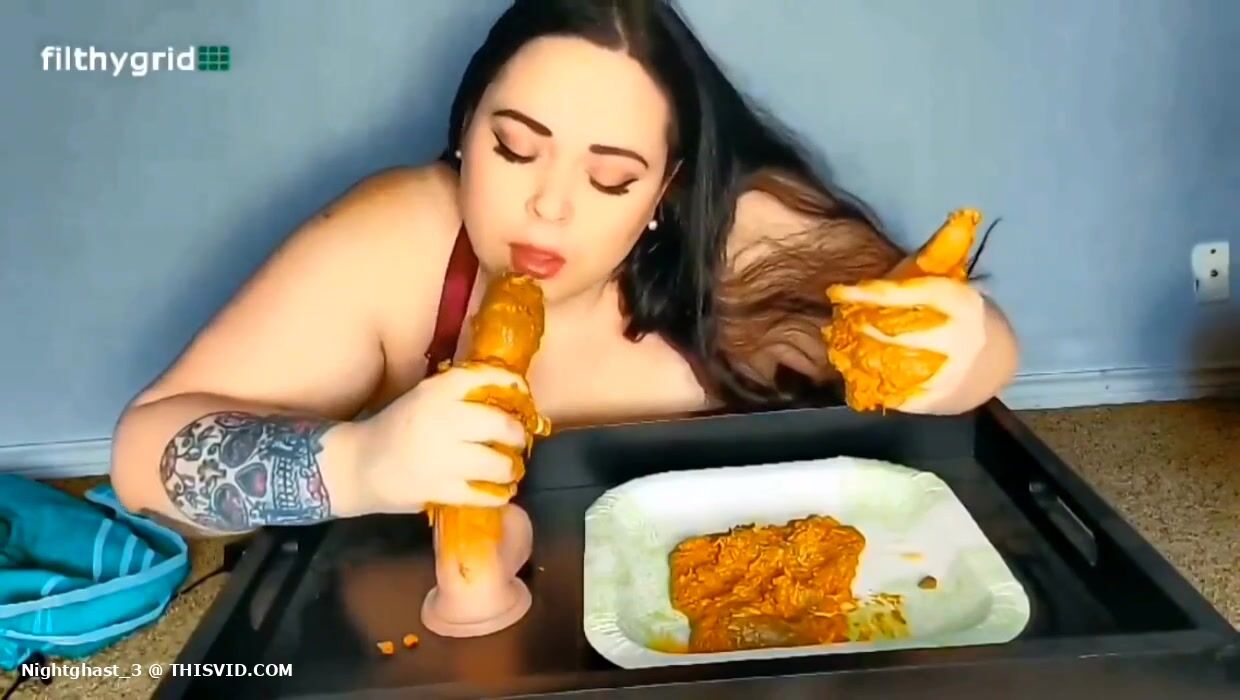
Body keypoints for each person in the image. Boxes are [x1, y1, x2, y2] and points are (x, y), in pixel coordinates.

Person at [109, 0, 1019, 538]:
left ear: (666, 189)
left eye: (611, 177)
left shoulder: (750, 236)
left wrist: (964, 352)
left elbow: (967, 362)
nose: (550, 207)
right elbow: (140, 458)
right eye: (513, 149)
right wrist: (354, 466)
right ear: (464, 130)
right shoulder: (394, 240)